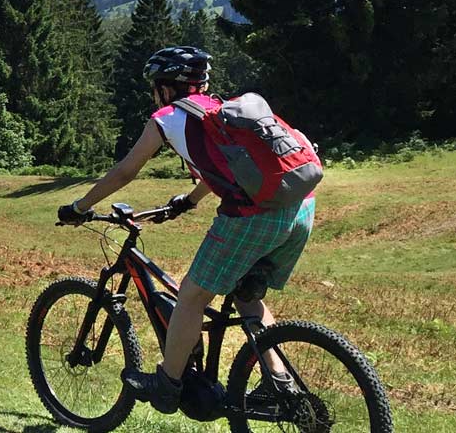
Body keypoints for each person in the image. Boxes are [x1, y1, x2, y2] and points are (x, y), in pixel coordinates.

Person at [57, 46, 318, 414]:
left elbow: (125, 171)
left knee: (191, 298)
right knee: (246, 296)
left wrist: (79, 207)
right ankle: (280, 384)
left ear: (165, 89)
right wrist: (191, 200)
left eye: (155, 87)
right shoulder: (220, 110)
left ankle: (167, 385)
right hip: (301, 205)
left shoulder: (167, 116)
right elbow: (237, 167)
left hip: (256, 215)